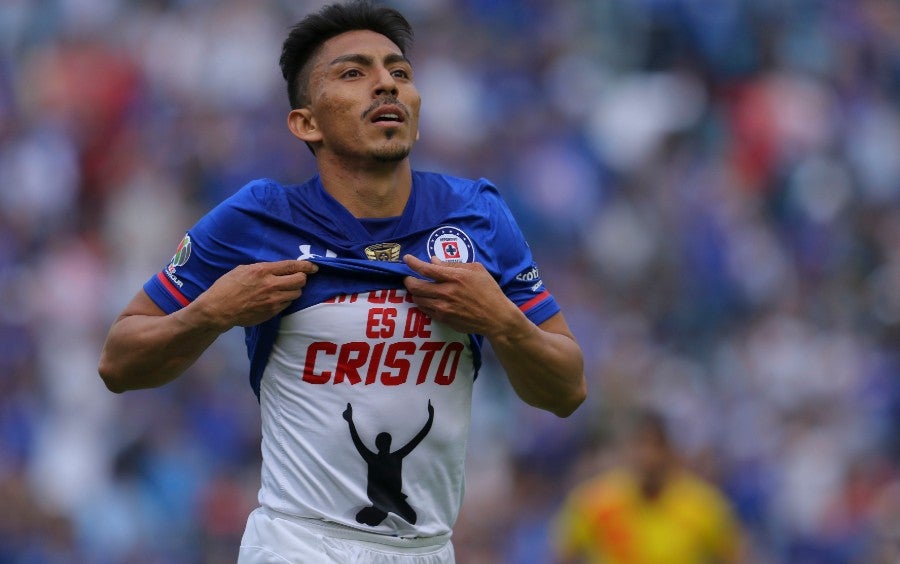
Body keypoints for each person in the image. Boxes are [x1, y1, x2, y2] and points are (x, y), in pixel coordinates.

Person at [97, 1, 586, 562]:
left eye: (399, 72)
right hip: (298, 542)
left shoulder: (478, 216)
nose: (386, 85)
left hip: (426, 548)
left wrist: (502, 320)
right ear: (307, 122)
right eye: (354, 73)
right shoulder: (256, 218)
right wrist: (214, 312)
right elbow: (118, 361)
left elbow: (568, 388)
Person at [553, 410, 743, 564]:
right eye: (640, 445)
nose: (648, 457)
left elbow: (735, 556)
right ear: (627, 449)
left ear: (671, 452)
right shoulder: (595, 502)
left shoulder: (703, 505)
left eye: (657, 446)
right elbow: (565, 555)